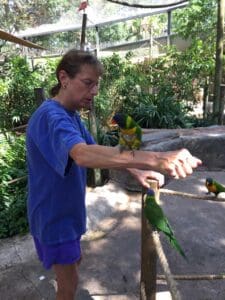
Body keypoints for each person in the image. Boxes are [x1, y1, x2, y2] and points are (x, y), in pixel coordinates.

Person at [26, 49, 202, 300]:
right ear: (63, 78)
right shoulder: (50, 117)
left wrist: (138, 170)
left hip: (67, 215)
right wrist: (156, 159)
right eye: (88, 83)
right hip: (54, 220)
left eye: (96, 84)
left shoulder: (71, 116)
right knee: (69, 284)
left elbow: (103, 152)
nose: (95, 91)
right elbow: (83, 154)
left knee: (73, 264)